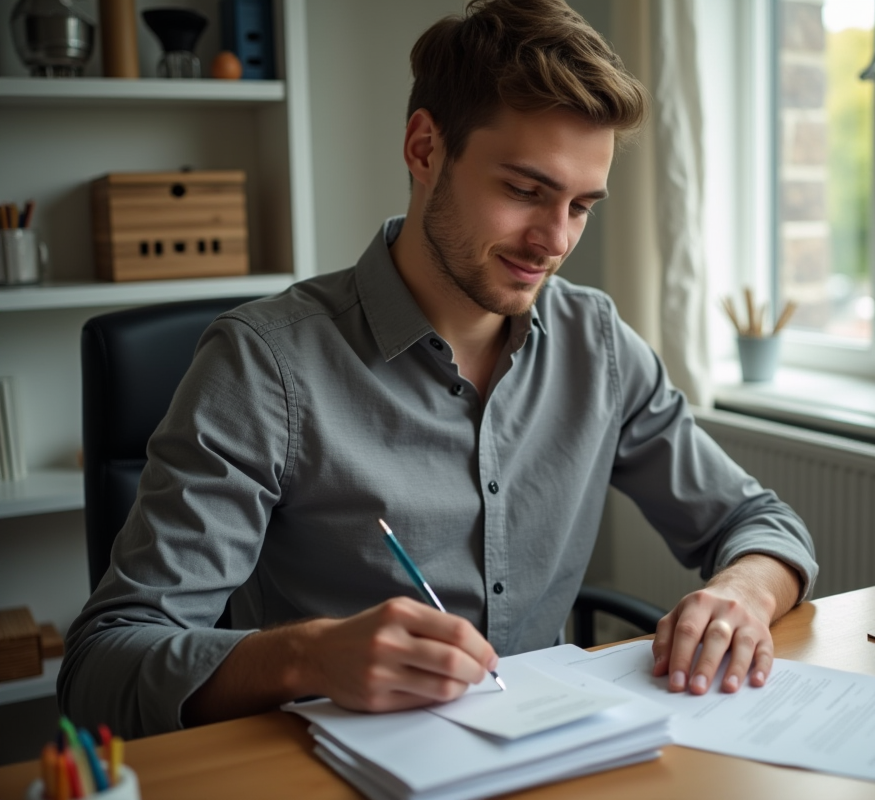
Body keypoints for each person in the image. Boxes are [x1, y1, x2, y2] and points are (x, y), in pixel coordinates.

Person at [60, 0, 817, 739]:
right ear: (425, 150)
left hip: (555, 752)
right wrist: (309, 655)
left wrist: (741, 594)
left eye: (582, 205)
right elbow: (104, 666)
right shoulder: (266, 365)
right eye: (525, 190)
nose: (554, 240)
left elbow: (761, 524)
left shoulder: (600, 344)